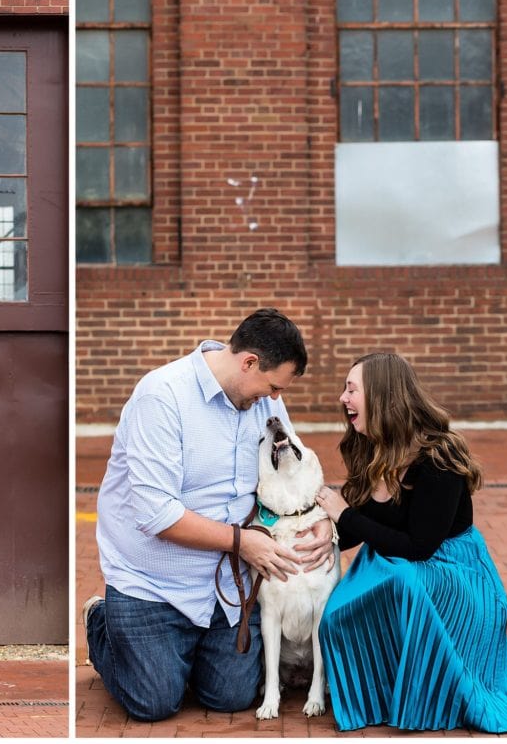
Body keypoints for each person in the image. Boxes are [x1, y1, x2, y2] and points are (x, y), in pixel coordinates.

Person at [83, 308, 335, 722]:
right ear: (249, 362)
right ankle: (101, 619)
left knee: (232, 697)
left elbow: (295, 465)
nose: (274, 399)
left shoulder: (262, 400)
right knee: (153, 702)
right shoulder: (161, 396)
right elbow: (156, 514)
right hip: (155, 583)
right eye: (272, 387)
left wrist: (320, 515)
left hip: (225, 587)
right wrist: (242, 541)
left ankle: (179, 655)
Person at [315, 353, 507, 733]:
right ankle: (380, 687)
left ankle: (431, 689)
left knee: (402, 579)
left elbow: (420, 545)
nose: (343, 398)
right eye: (345, 389)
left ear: (384, 396)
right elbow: (364, 524)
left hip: (455, 573)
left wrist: (343, 515)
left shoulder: (439, 458)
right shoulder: (372, 449)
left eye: (352, 389)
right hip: (399, 561)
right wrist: (328, 534)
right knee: (341, 610)